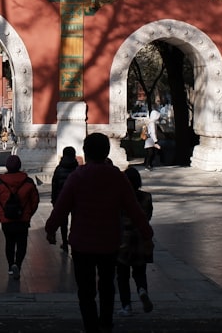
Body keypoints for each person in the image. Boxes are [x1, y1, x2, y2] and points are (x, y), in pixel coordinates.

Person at [45, 132, 153, 333]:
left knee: (85, 291)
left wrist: (51, 229)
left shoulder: (77, 176)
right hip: (109, 241)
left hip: (81, 242)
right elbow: (134, 209)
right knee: (107, 285)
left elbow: (61, 206)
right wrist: (147, 234)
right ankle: (106, 323)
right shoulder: (117, 177)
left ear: (85, 152)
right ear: (107, 152)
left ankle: (91, 326)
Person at [0, 155, 40, 279]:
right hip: (23, 220)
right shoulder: (28, 182)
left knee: (9, 243)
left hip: (6, 220)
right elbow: (35, 201)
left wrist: (0, 214)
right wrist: (28, 214)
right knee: (22, 244)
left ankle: (11, 266)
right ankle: (18, 264)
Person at [116, 166, 154, 316]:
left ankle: (126, 306)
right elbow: (148, 216)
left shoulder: (119, 198)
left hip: (123, 239)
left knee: (122, 275)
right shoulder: (146, 197)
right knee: (140, 271)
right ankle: (142, 290)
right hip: (140, 239)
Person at [51, 146, 79, 252]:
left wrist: (54, 200)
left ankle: (65, 242)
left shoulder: (59, 169)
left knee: (63, 222)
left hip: (61, 199)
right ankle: (73, 239)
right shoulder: (77, 169)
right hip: (76, 200)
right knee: (75, 220)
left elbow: (54, 186)